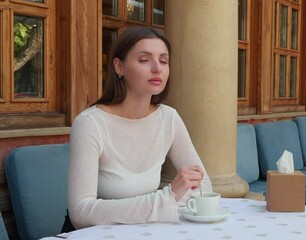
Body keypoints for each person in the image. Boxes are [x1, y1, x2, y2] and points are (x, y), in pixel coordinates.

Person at [67, 27, 212, 230]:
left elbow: (204, 185)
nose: (157, 68)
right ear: (119, 67)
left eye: (163, 61)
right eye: (144, 60)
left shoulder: (168, 118)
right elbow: (80, 212)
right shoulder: (90, 123)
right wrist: (166, 198)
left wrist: (170, 198)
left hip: (147, 230)